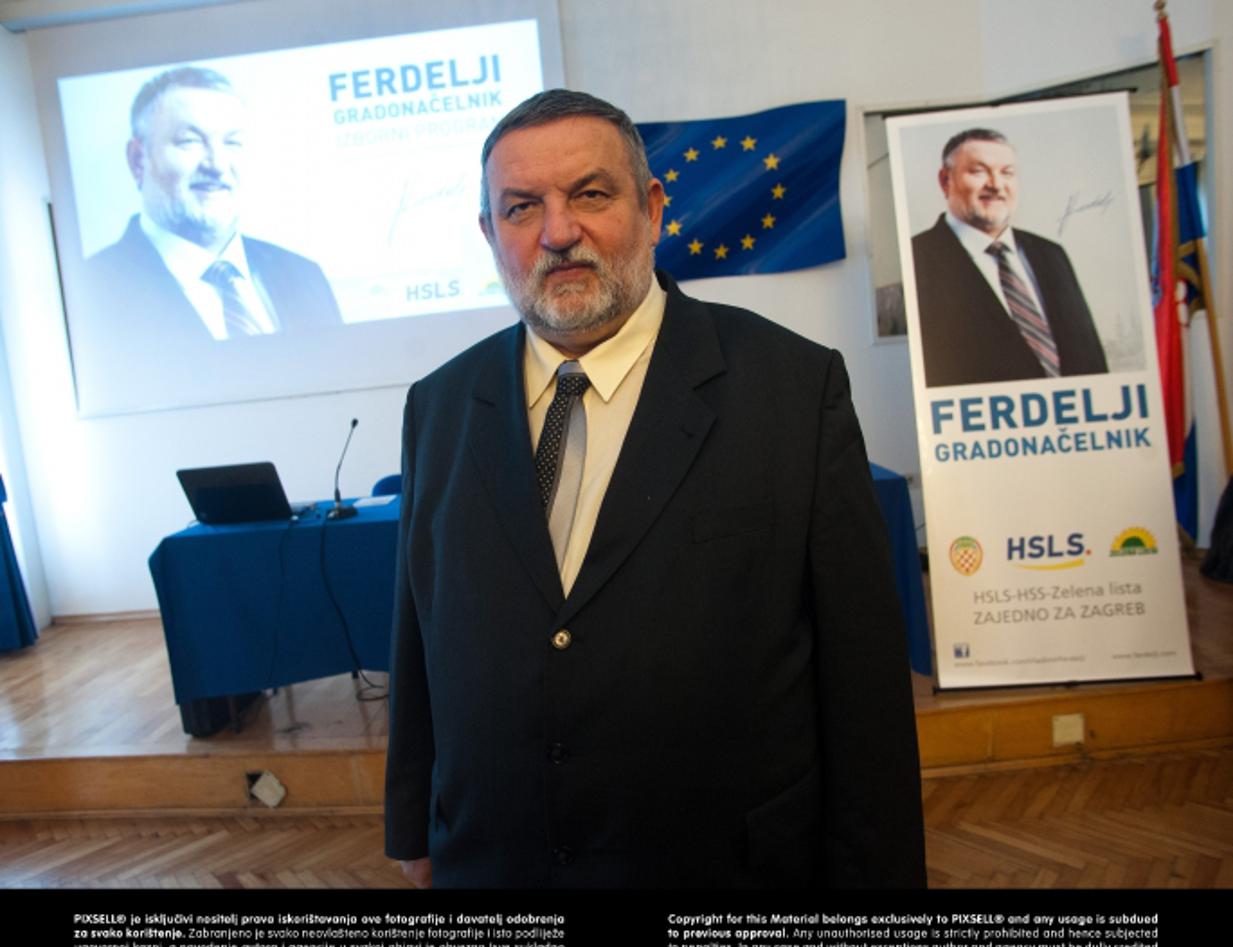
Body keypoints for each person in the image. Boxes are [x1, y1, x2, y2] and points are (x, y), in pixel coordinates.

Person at [384, 89, 925, 889]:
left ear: (652, 208)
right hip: (496, 861)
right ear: (490, 234)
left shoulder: (791, 388)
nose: (557, 232)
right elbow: (418, 634)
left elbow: (863, 676)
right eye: (521, 207)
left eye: (589, 195)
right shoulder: (439, 404)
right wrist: (411, 820)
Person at [86, 66, 341, 343]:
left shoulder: (304, 275)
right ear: (138, 160)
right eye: (190, 141)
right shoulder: (93, 291)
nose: (217, 165)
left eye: (232, 142)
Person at [911, 128, 1107, 387]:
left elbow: (1090, 359)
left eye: (1007, 173)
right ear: (945, 181)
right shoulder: (916, 260)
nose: (995, 185)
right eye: (979, 171)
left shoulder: (1051, 254)